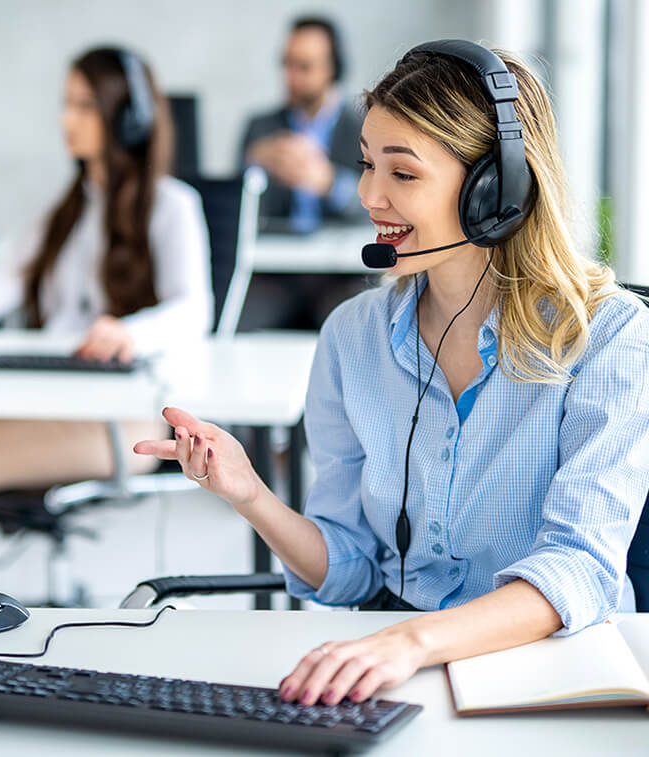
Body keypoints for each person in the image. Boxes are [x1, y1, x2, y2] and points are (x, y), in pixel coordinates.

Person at [135, 41, 649, 705]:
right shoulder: (353, 338)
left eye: (402, 174)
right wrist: (250, 493)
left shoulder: (607, 338)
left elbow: (578, 566)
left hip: (551, 674)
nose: (368, 195)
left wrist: (412, 640)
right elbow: (348, 565)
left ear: (498, 188)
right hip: (404, 669)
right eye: (366, 164)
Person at [0, 47, 213, 605]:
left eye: (84, 105)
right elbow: (2, 283)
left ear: (126, 118)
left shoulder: (173, 206)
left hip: (118, 420)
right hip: (53, 404)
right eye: (66, 104)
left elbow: (193, 310)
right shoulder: (68, 210)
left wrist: (132, 331)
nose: (67, 120)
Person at [238, 16, 369, 330]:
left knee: (355, 323)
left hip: (341, 275)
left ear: (332, 69)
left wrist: (328, 183)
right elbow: (239, 209)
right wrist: (253, 167)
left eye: (304, 66)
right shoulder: (261, 129)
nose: (291, 77)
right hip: (276, 274)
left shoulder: (364, 127)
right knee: (239, 318)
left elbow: (378, 206)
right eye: (287, 64)